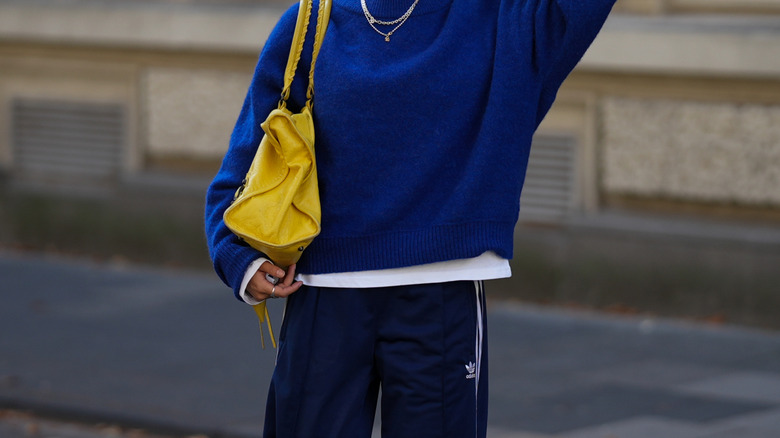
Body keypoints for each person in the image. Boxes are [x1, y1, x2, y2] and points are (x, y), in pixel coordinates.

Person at [205, 0, 616, 436]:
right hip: (322, 295)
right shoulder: (311, 21)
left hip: (441, 295)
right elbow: (243, 166)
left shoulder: (503, 20)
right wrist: (236, 257)